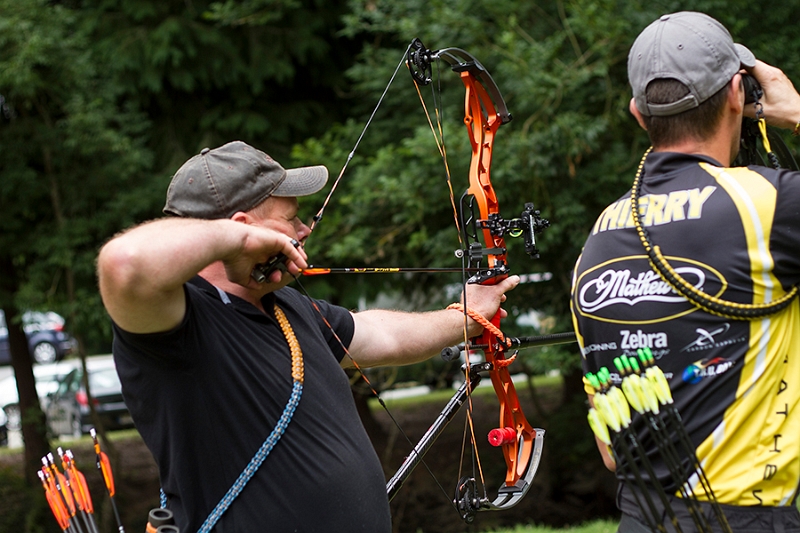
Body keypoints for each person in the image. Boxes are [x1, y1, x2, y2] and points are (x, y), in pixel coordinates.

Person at [96, 140, 518, 532]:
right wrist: (239, 239)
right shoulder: (178, 325)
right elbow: (123, 263)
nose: (303, 228)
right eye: (290, 218)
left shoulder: (285, 306)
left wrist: (468, 315)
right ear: (242, 228)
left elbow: (381, 335)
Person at [570, 11, 800, 533]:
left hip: (640, 519)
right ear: (738, 95)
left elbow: (612, 450)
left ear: (638, 113)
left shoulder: (601, 234)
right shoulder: (768, 205)